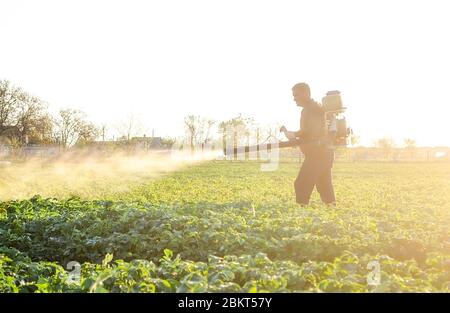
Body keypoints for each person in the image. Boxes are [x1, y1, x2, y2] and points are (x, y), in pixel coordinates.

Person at [281, 83, 336, 206]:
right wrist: (294, 135)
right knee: (324, 186)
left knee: (301, 184)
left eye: (296, 95)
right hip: (325, 154)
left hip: (318, 154)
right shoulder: (316, 107)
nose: (294, 98)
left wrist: (293, 134)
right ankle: (333, 211)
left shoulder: (310, 109)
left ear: (306, 93)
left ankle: (302, 214)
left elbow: (311, 131)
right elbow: (311, 133)